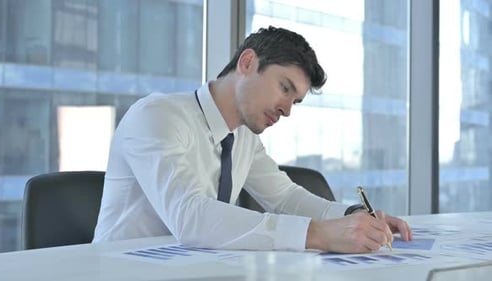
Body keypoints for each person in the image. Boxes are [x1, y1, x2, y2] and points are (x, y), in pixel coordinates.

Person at [93, 26, 412, 253]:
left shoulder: (242, 137)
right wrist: (318, 234)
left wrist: (353, 217)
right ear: (247, 63)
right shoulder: (157, 115)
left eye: (296, 101)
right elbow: (190, 216)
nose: (287, 110)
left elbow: (285, 198)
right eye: (285, 88)